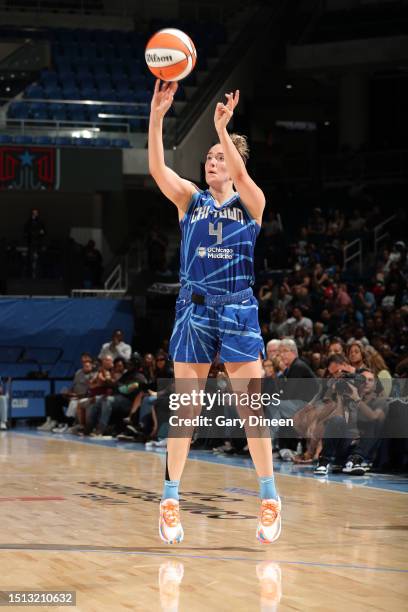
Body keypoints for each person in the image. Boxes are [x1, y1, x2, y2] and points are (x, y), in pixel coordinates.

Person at [149, 80, 280, 544]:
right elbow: (158, 168)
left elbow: (243, 180)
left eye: (219, 157)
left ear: (236, 163)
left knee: (252, 409)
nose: (211, 161)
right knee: (185, 410)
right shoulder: (192, 199)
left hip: (239, 310)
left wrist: (224, 129)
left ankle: (268, 499)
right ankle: (168, 500)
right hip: (195, 311)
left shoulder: (252, 203)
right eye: (208, 157)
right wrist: (158, 115)